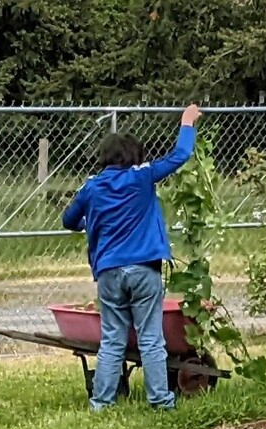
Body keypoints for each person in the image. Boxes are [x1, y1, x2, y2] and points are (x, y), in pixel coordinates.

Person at [62, 104, 202, 411]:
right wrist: (187, 122)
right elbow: (179, 156)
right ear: (133, 157)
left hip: (110, 271)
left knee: (112, 339)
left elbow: (68, 220)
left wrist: (90, 223)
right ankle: (161, 400)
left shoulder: (92, 186)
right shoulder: (142, 177)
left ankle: (102, 402)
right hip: (143, 268)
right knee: (151, 337)